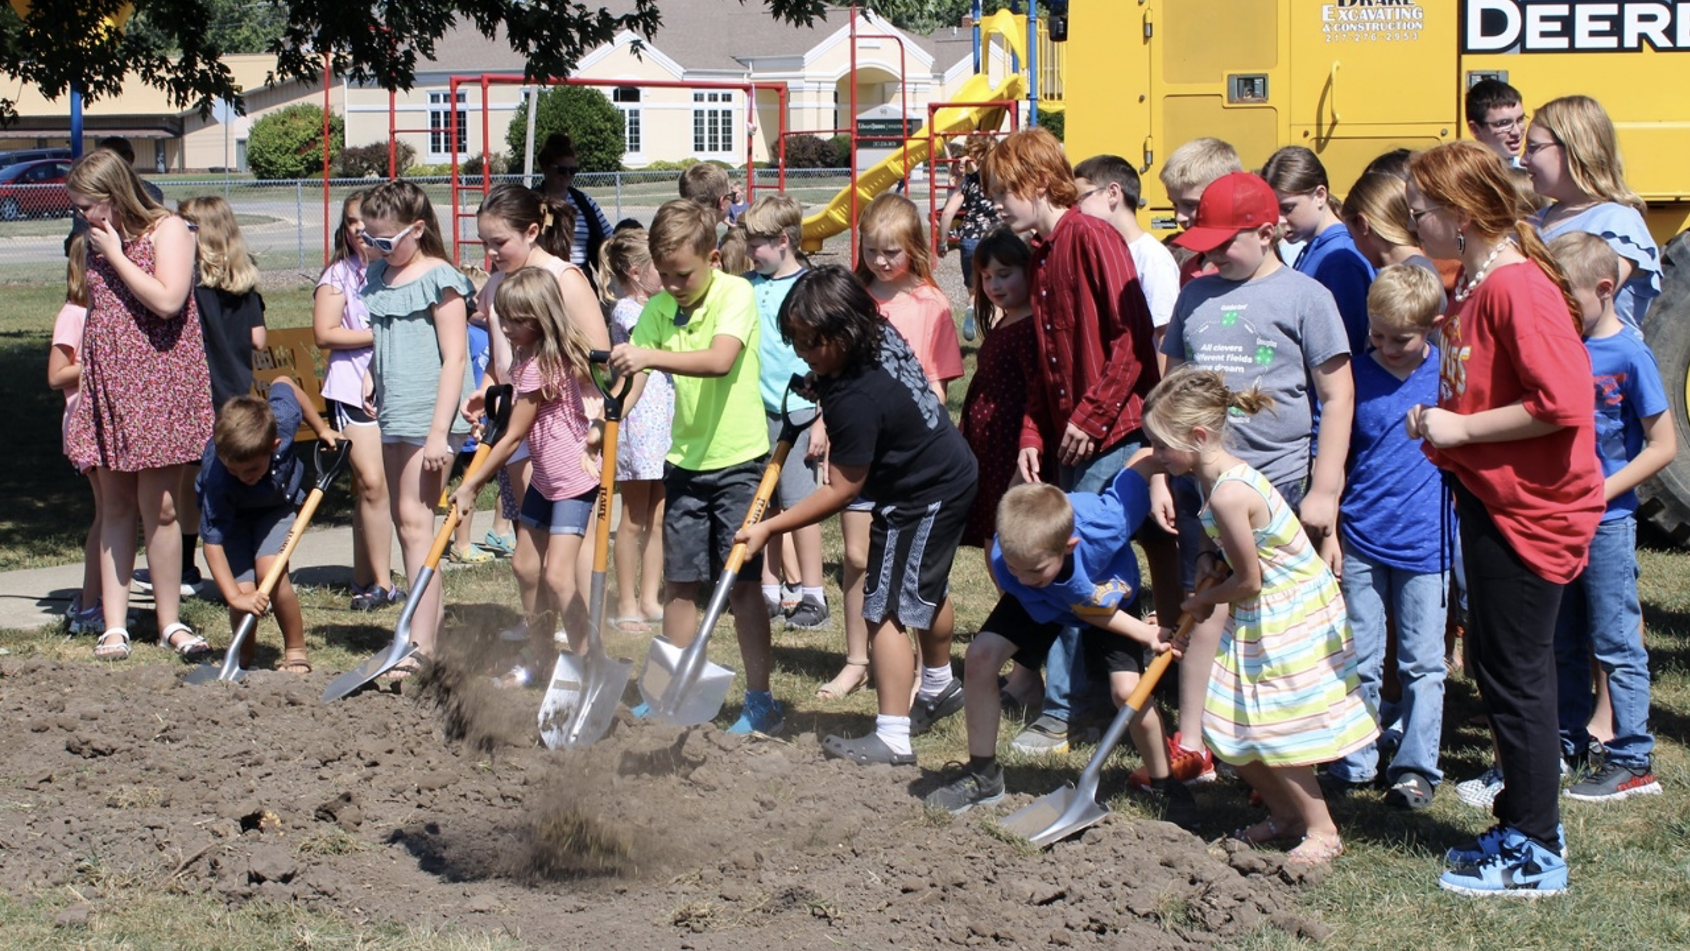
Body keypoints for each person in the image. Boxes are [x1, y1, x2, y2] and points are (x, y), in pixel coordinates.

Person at [1404, 140, 1603, 897]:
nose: (1414, 222)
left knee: (1517, 675)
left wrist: (1462, 429)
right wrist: (1444, 420)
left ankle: (1537, 851)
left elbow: (1563, 402)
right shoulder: (1476, 281)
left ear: (1460, 213)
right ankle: (1521, 821)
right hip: (1494, 498)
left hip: (1532, 509)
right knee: (1495, 664)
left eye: (1421, 209)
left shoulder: (1517, 285)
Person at [1154, 171, 1354, 790]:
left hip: (1278, 489)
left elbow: (1337, 395)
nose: (1211, 255)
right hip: (1203, 487)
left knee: (1271, 624)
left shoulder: (1306, 297)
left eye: (1224, 244)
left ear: (1268, 233)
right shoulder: (1196, 295)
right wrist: (1160, 475)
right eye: (1205, 245)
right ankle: (1195, 743)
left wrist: (1325, 489)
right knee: (1204, 606)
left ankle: (1290, 749)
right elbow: (1171, 392)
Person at [736, 266, 977, 766]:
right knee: (924, 588)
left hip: (921, 494)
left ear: (845, 332)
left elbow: (843, 489)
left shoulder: (854, 399)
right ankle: (938, 686)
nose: (802, 350)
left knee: (883, 608)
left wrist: (769, 526)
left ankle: (892, 736)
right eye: (795, 338)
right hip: (946, 471)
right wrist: (822, 381)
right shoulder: (876, 333)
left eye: (812, 341)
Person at [978, 127, 1163, 757]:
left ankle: (1067, 711)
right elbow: (1044, 365)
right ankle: (1087, 701)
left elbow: (1132, 337)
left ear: (1035, 182)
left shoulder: (1091, 236)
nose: (996, 205)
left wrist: (1092, 413)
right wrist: (1034, 433)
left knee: (1077, 570)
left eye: (1002, 191)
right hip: (1074, 439)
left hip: (1112, 433)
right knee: (1068, 567)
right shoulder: (1041, 254)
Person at [1147, 365, 1375, 868]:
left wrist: (1203, 600)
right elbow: (1232, 554)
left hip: (1287, 612)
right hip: (1262, 609)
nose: (1156, 456)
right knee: (1224, 722)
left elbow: (1250, 580)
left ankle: (1322, 829)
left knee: (1276, 727)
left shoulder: (1230, 492)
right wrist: (1207, 557)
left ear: (1197, 436)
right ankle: (1285, 815)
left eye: (1162, 445)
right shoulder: (1211, 480)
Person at [924, 456, 1194, 828]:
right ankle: (983, 776)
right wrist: (1144, 632)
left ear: (1070, 545)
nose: (1020, 576)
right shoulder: (1014, 561)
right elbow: (1070, 603)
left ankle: (1163, 784)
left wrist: (1176, 467)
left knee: (1128, 692)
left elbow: (1141, 464)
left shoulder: (1106, 521)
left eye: (1033, 569)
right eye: (1014, 568)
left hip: (1108, 597)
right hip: (1049, 601)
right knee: (981, 657)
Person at [608, 199, 781, 735]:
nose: (673, 285)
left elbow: (720, 360)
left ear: (713, 258)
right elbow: (634, 379)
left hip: (740, 462)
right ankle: (667, 691)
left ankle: (760, 699)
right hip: (685, 463)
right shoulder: (660, 309)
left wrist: (648, 357)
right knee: (680, 582)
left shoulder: (735, 295)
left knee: (742, 585)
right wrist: (608, 418)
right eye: (664, 275)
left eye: (683, 274)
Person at [820, 192, 967, 720]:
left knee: (913, 577)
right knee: (858, 559)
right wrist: (824, 427)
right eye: (872, 251)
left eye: (892, 252)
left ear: (915, 248)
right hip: (857, 448)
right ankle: (857, 660)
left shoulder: (931, 304)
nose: (881, 261)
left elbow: (938, 383)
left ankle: (923, 672)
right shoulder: (854, 299)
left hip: (908, 458)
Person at [64, 150, 215, 661]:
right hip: (111, 381)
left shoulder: (169, 229)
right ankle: (113, 625)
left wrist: (118, 254)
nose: (82, 215)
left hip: (160, 381)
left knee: (163, 507)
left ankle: (169, 621)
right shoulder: (94, 240)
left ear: (113, 195)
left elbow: (169, 301)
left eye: (88, 205)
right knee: (115, 505)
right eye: (78, 207)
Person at [1549, 231, 1672, 803]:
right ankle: (1570, 740)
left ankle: (1632, 759)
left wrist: (1600, 493)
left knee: (1615, 641)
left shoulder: (1630, 355)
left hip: (1607, 522)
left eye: (1568, 299)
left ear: (1604, 289)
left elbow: (1663, 445)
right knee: (1562, 637)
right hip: (1559, 521)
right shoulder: (1560, 348)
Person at [1325, 264, 1449, 810]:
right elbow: (1333, 454)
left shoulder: (1447, 379)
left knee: (1422, 662)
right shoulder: (1355, 376)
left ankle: (1416, 768)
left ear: (1433, 327)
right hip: (1362, 535)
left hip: (1426, 541)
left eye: (1402, 339)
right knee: (1359, 655)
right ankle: (1355, 760)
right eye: (1377, 335)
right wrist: (1332, 530)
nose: (1388, 348)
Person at [473, 184, 613, 646]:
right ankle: (540, 645)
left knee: (565, 558)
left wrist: (546, 379)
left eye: (499, 242)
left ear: (531, 232)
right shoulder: (500, 282)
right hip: (523, 418)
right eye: (485, 243)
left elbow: (600, 361)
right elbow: (502, 356)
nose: (491, 253)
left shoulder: (563, 278)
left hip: (571, 432)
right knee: (528, 558)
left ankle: (586, 645)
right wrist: (488, 388)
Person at [453, 267, 600, 682]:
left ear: (541, 317)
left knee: (558, 574)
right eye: (503, 318)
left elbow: (514, 434)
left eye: (517, 320)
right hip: (545, 479)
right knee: (524, 565)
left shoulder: (541, 364)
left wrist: (471, 484)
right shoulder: (529, 357)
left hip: (572, 480)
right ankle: (540, 655)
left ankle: (587, 661)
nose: (506, 327)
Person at [358, 179, 477, 679]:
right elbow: (383, 337)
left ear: (418, 229)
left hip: (431, 414)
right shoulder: (380, 275)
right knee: (408, 521)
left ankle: (420, 642)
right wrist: (371, 372)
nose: (377, 248)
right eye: (369, 238)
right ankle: (424, 634)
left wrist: (438, 434)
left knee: (415, 521)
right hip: (396, 410)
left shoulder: (440, 279)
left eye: (386, 240)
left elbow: (455, 359)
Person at [147, 195, 267, 599]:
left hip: (198, 391)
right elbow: (258, 339)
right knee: (226, 476)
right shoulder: (244, 281)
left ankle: (185, 565)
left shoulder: (190, 283)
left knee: (190, 484)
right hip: (235, 389)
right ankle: (241, 561)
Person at [198, 378, 340, 674]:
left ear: (274, 446)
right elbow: (212, 543)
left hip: (276, 509)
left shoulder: (281, 422)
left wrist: (321, 428)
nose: (243, 477)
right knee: (243, 589)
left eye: (252, 469)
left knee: (270, 573)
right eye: (234, 470)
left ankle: (295, 649)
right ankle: (243, 654)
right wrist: (235, 597)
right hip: (232, 518)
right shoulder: (218, 476)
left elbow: (285, 382)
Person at [741, 194, 831, 641]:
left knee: (800, 506)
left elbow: (828, 360)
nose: (749, 251)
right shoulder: (745, 286)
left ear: (783, 241)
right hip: (753, 411)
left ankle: (813, 594)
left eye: (756, 243)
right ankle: (769, 588)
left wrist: (820, 420)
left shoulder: (810, 287)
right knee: (765, 505)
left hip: (798, 411)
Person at [313, 190, 401, 612]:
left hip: (396, 388)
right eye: (352, 222)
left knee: (381, 489)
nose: (361, 230)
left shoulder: (398, 272)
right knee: (371, 483)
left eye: (367, 220)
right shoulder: (338, 276)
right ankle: (381, 583)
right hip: (351, 389)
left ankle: (365, 576)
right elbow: (324, 333)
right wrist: (381, 333)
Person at [1524, 95, 1661, 332]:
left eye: (1533, 148)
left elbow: (1581, 308)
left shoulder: (1618, 223)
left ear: (1573, 149)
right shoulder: (1535, 220)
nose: (1523, 159)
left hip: (1594, 356)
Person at [597, 227, 672, 633]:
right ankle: (626, 601)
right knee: (633, 518)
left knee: (658, 517)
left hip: (666, 422)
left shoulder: (660, 306)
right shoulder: (628, 312)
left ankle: (649, 598)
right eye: (660, 266)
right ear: (635, 272)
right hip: (640, 422)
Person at [957, 229, 1034, 554]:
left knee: (1008, 531)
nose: (994, 285)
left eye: (1004, 274)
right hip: (989, 449)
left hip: (1009, 449)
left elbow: (1034, 393)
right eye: (987, 277)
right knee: (991, 528)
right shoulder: (1006, 321)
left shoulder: (1029, 328)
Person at [1263, 146, 1376, 355]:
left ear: (1320, 195)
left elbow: (1346, 344)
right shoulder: (1319, 249)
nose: (1279, 219)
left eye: (1288, 208)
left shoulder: (1339, 259)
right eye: (1273, 210)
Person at [1072, 154, 1182, 361]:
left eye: (1080, 198)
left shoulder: (1152, 257)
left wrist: (1160, 383)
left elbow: (1165, 337)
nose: (1074, 209)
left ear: (1113, 193)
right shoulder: (1101, 252)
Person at [49, 255, 104, 635]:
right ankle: (88, 605)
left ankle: (95, 600)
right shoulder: (73, 314)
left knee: (113, 513)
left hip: (104, 422)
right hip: (85, 423)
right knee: (108, 514)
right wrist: (100, 364)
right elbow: (56, 375)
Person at [936, 136, 1002, 339]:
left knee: (973, 290)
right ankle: (995, 337)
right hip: (996, 239)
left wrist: (943, 243)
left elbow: (947, 213)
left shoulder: (969, 182)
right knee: (997, 294)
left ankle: (971, 308)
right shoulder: (1002, 180)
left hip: (970, 240)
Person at [1157, 137, 1245, 285]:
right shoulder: (1190, 268)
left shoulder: (1243, 269)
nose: (1179, 217)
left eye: (1191, 205)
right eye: (1175, 204)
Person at [65, 136, 164, 256]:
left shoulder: (161, 225)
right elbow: (78, 235)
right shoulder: (86, 203)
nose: (80, 214)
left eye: (114, 157)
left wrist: (112, 254)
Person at [535, 132, 613, 285]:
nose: (567, 175)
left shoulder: (584, 203)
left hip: (581, 279)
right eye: (561, 170)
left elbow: (609, 237)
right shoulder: (530, 202)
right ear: (545, 168)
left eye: (573, 171)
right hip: (544, 281)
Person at [1465, 78, 1527, 165]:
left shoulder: (1528, 170)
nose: (1516, 132)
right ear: (1475, 130)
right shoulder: (1463, 172)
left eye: (1520, 120)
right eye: (1503, 123)